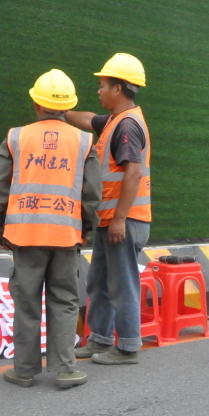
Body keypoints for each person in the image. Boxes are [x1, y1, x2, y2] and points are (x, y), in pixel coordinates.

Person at [0, 69, 102, 389]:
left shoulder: (15, 137)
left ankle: (24, 370)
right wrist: (87, 228)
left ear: (36, 103)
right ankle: (66, 369)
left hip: (24, 234)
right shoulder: (82, 140)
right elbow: (92, 192)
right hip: (65, 235)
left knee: (27, 300)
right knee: (64, 299)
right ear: (67, 108)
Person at [66, 53, 151, 365]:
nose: (99, 90)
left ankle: (128, 347)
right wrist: (59, 112)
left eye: (102, 85)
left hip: (123, 223)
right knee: (100, 280)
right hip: (110, 221)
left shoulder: (127, 126)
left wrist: (119, 219)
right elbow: (89, 119)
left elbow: (133, 173)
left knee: (121, 283)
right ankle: (99, 339)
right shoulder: (116, 122)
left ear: (118, 89)